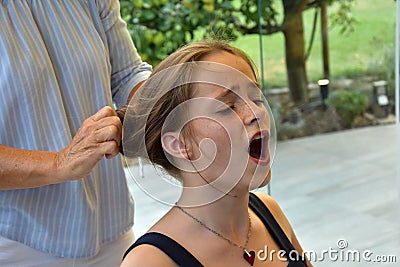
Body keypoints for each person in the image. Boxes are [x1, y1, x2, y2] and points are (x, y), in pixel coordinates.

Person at [119, 40, 312, 267]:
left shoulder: (269, 212)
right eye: (227, 107)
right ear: (180, 144)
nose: (257, 112)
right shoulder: (149, 262)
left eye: (257, 99)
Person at [0, 0, 152, 266]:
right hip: (18, 244)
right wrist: (60, 162)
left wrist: (174, 107)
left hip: (112, 226)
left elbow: (128, 74)